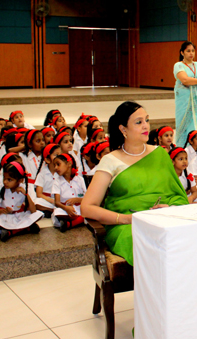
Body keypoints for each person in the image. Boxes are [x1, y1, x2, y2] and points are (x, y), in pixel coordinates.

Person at [81, 102, 188, 266]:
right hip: (127, 227)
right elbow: (87, 207)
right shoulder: (110, 160)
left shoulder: (160, 154)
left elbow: (178, 195)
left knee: (188, 239)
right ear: (123, 129)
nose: (146, 126)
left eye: (147, 120)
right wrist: (127, 219)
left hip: (163, 219)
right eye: (139, 122)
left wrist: (169, 208)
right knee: (153, 245)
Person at [0, 161, 42, 242]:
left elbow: (33, 210)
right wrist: (3, 210)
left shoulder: (25, 188)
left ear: (20, 180)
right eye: (4, 178)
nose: (5, 182)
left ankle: (10, 232)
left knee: (38, 215)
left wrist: (26, 194)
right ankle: (26, 228)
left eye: (9, 180)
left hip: (18, 216)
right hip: (4, 216)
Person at [52, 154, 86, 232]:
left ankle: (68, 224)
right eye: (54, 165)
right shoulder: (57, 182)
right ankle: (78, 220)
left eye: (58, 164)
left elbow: (87, 198)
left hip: (79, 207)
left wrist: (77, 199)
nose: (55, 168)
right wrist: (66, 208)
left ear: (69, 164)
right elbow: (57, 202)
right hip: (65, 209)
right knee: (57, 212)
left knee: (90, 211)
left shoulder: (80, 179)